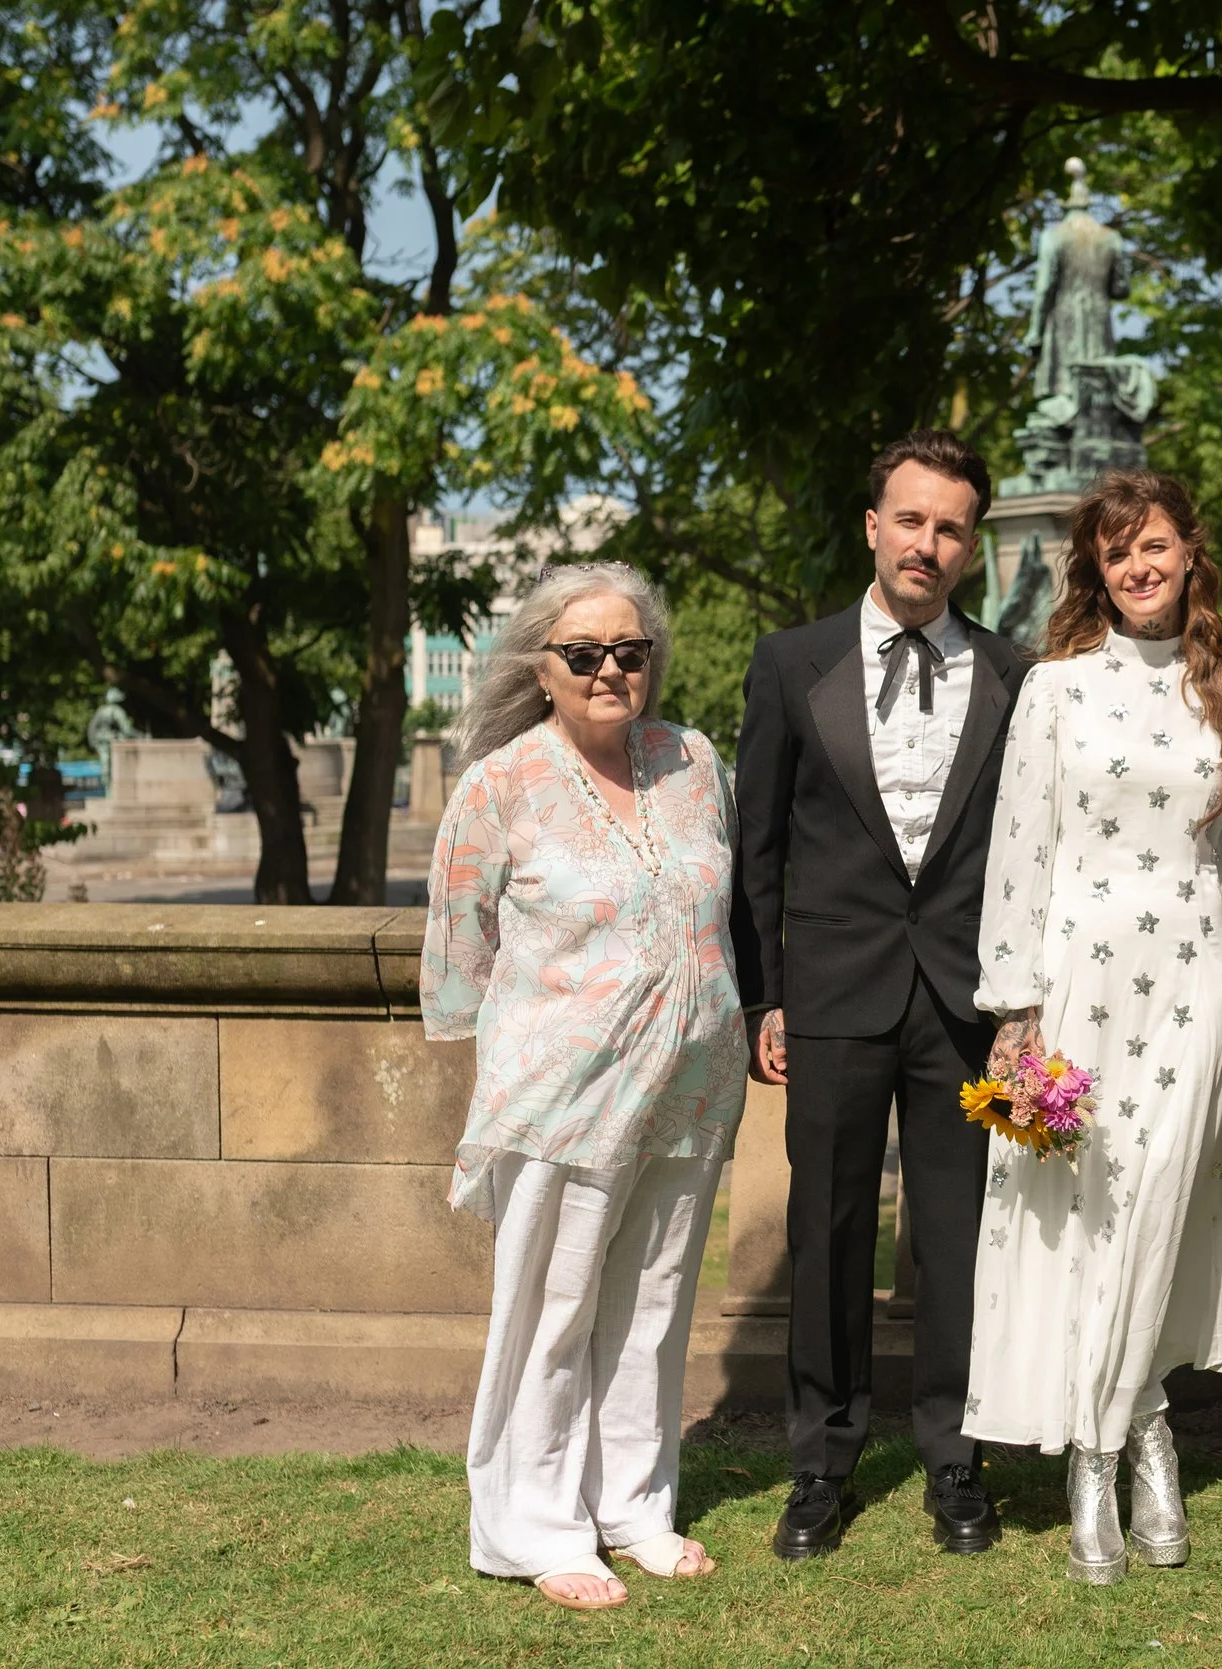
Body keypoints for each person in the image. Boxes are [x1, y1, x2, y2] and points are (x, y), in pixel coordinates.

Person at [963, 470, 1222, 1585]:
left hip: (1195, 987)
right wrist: (1014, 1010)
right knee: (1093, 1216)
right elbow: (1020, 852)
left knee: (1159, 1209)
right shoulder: (1053, 692)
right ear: (1094, 572)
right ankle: (1122, 1447)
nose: (1140, 567)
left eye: (1155, 545)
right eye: (1117, 554)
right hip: (1078, 986)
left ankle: (1113, 1439)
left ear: (1188, 552)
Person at [423, 561, 746, 1612]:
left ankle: (634, 1505)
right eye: (585, 653)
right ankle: (535, 1525)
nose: (611, 668)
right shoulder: (499, 784)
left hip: (691, 1082)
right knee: (553, 1312)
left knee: (653, 1305)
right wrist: (523, 1049)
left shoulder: (693, 761)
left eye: (630, 651)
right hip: (565, 1094)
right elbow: (459, 945)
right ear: (541, 667)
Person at [732, 429, 1027, 1560]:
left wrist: (1021, 1003)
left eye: (950, 527)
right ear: (873, 525)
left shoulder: (1013, 674)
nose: (928, 544)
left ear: (970, 543)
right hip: (832, 996)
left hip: (966, 1004)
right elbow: (757, 844)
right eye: (910, 519)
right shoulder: (787, 661)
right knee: (829, 1228)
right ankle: (821, 1463)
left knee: (962, 1239)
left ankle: (957, 1460)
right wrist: (767, 997)